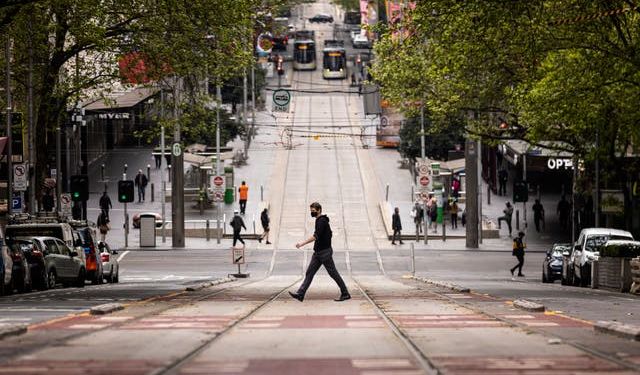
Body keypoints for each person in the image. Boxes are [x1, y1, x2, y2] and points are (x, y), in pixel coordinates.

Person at [289, 202, 350, 302]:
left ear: (319, 210)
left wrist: (302, 244)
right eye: (311, 211)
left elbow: (316, 236)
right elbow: (329, 234)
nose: (312, 213)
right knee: (310, 273)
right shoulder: (320, 220)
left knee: (333, 273)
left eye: (313, 211)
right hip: (318, 253)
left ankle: (345, 293)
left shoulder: (321, 221)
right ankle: (300, 294)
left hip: (324, 253)